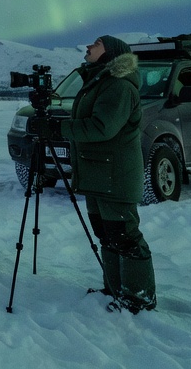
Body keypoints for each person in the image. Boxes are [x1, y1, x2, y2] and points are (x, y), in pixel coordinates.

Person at [27, 35, 157, 313]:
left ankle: (138, 298)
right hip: (98, 173)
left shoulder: (119, 86)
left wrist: (57, 129)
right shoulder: (99, 82)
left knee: (124, 236)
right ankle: (115, 289)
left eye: (96, 44)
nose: (88, 47)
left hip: (115, 174)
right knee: (106, 234)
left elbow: (101, 127)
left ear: (111, 53)